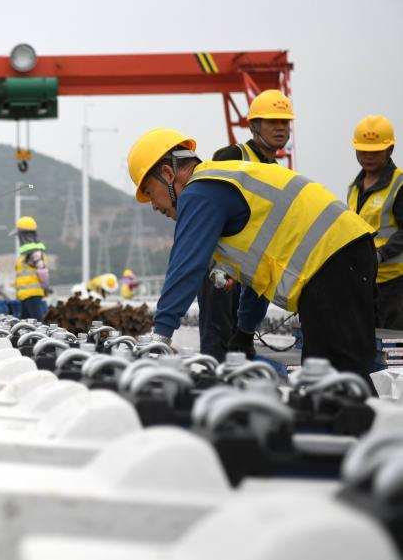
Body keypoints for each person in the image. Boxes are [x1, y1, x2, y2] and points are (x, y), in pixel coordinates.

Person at [127, 128, 377, 384]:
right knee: (323, 375)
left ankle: (365, 411)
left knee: (338, 377)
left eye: (150, 193)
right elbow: (258, 273)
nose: (153, 206)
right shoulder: (217, 187)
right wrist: (245, 330)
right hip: (338, 258)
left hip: (334, 258)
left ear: (168, 174)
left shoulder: (200, 191)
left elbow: (185, 268)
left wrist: (160, 339)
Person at [197, 89, 294, 361]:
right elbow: (210, 210)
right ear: (253, 126)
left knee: (241, 348)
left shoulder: (280, 173)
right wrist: (219, 266)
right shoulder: (232, 156)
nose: (280, 128)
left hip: (252, 272)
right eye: (272, 122)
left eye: (284, 122)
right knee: (217, 347)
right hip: (222, 269)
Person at [347, 115, 403, 330]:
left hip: (395, 283)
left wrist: (380, 255)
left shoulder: (399, 184)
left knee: (393, 345)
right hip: (365, 281)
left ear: (390, 150)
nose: (368, 157)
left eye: (375, 152)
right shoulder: (354, 188)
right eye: (363, 151)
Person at [10, 215, 50, 321]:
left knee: (37, 323)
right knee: (24, 324)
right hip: (25, 295)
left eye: (19, 235)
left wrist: (46, 287)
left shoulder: (34, 252)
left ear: (24, 235)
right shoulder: (26, 253)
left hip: (33, 295)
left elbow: (42, 271)